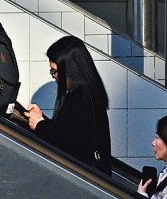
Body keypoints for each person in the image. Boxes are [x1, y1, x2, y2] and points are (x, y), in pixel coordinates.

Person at [23, 35, 111, 174]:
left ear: (69, 68)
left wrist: (40, 125)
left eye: (55, 71)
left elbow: (72, 146)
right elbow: (67, 133)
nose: (53, 75)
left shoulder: (82, 98)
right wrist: (40, 119)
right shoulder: (87, 94)